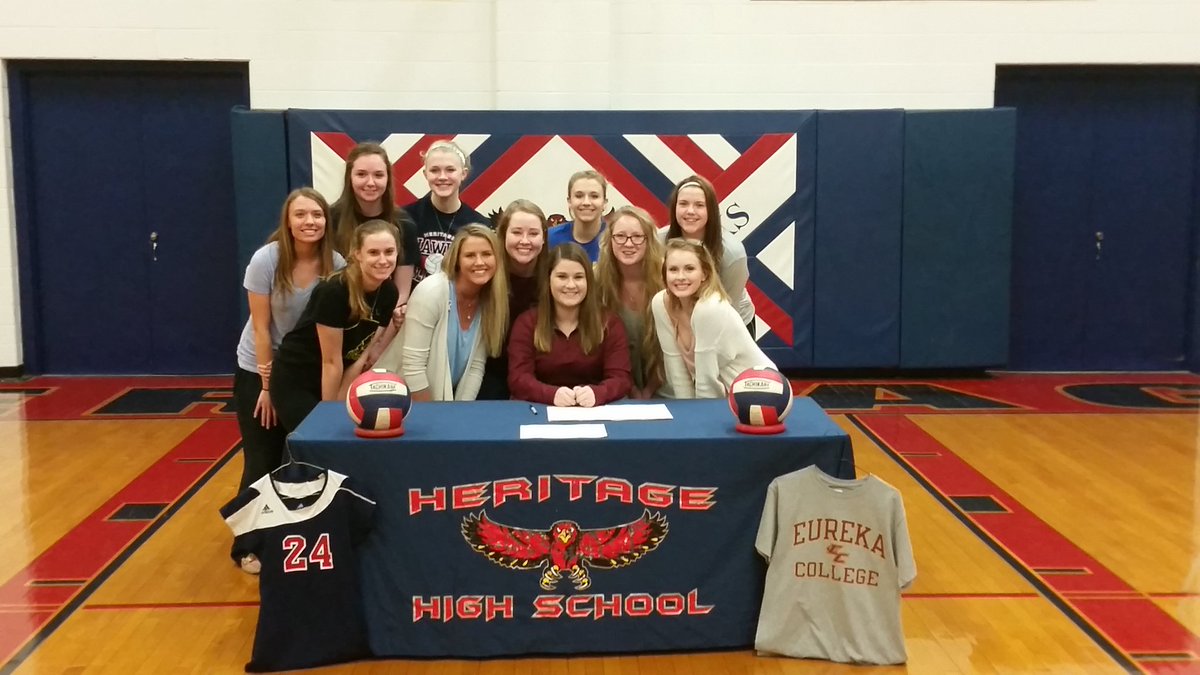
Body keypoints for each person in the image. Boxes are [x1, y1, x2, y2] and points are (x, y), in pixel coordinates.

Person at [233, 188, 344, 490]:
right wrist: (269, 388)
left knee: (306, 457)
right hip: (260, 370)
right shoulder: (266, 259)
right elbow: (260, 329)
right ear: (288, 222)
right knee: (262, 460)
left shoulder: (337, 265)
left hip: (303, 373)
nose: (310, 221)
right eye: (301, 214)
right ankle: (248, 535)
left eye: (317, 214)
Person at [269, 219, 401, 431]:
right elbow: (330, 362)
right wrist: (330, 413)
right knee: (317, 437)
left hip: (337, 374)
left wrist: (341, 401)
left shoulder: (389, 293)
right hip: (296, 378)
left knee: (340, 437)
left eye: (389, 251)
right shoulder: (334, 291)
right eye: (374, 252)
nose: (383, 260)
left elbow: (361, 355)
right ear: (358, 254)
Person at [376, 224, 508, 402]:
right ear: (457, 260)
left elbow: (475, 367)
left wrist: (460, 411)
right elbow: (413, 368)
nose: (479, 262)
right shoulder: (432, 291)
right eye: (470, 255)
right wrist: (435, 416)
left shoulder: (491, 300)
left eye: (486, 254)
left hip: (440, 405)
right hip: (392, 400)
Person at [508, 243, 631, 407]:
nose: (571, 285)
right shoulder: (527, 323)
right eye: (562, 277)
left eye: (579, 277)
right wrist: (552, 395)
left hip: (594, 410)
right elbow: (518, 378)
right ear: (548, 280)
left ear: (588, 281)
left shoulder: (609, 323)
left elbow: (621, 378)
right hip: (539, 409)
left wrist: (597, 393)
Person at [651, 238, 775, 399]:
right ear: (664, 274)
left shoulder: (709, 308)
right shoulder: (660, 303)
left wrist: (702, 418)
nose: (680, 276)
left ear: (704, 274)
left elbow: (707, 382)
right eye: (673, 269)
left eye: (689, 269)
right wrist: (685, 414)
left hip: (761, 392)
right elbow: (676, 370)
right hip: (725, 398)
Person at [328, 143, 419, 315]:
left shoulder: (404, 224)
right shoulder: (330, 219)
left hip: (382, 321)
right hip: (335, 316)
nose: (370, 182)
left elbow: (402, 293)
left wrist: (377, 324)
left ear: (388, 178)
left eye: (378, 175)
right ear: (350, 177)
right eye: (361, 174)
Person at [661, 174, 756, 332]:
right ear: (674, 207)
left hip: (729, 323)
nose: (690, 211)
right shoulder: (658, 241)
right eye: (683, 204)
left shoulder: (732, 253)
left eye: (699, 205)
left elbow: (727, 309)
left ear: (711, 210)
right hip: (678, 322)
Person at [477, 200, 549, 400]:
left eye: (533, 233)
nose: (524, 240)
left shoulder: (554, 276)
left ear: (544, 238)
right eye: (516, 232)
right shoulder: (485, 274)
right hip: (489, 373)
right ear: (502, 234)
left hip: (540, 373)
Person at [594, 205, 665, 399]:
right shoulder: (594, 280)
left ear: (649, 240)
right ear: (610, 240)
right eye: (620, 236)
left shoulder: (668, 278)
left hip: (666, 386)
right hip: (613, 389)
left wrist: (650, 390)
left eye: (637, 236)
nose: (628, 243)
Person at [403, 140, 488, 290]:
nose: (442, 177)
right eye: (434, 170)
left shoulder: (479, 225)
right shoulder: (405, 217)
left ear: (463, 173)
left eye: (450, 170)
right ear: (425, 174)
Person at [546, 170, 608, 263]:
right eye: (579, 196)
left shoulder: (614, 240)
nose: (586, 202)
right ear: (569, 201)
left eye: (594, 196)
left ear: (604, 203)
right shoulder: (550, 238)